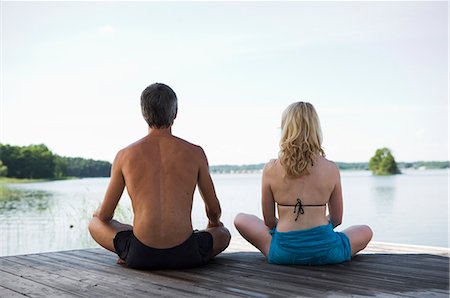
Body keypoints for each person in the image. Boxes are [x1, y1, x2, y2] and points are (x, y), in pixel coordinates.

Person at [88, 83, 231, 270]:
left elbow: (105, 215)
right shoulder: (195, 153)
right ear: (175, 113)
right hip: (187, 255)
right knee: (224, 233)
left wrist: (99, 215)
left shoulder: (124, 155)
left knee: (94, 224)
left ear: (143, 113)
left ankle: (131, 248)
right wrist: (213, 225)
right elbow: (213, 210)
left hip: (141, 255)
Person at [234, 102, 372, 265]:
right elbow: (337, 219)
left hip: (284, 252)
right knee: (365, 230)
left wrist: (291, 232)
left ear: (285, 129)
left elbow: (269, 222)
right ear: (315, 129)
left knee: (240, 219)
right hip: (327, 251)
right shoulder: (331, 168)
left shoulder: (271, 169)